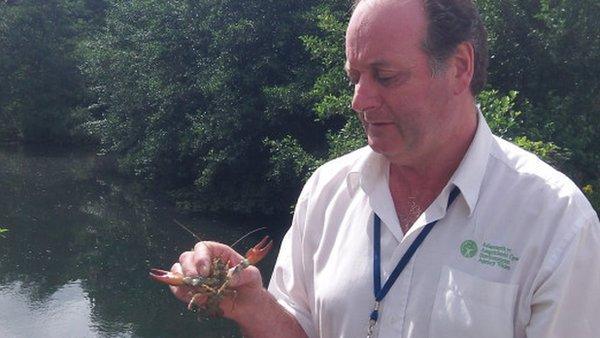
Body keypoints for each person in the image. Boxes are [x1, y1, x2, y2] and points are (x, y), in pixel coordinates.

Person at [168, 0, 600, 337]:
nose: (359, 100)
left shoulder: (556, 222)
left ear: (459, 67)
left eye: (385, 76)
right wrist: (252, 306)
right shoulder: (327, 190)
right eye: (354, 77)